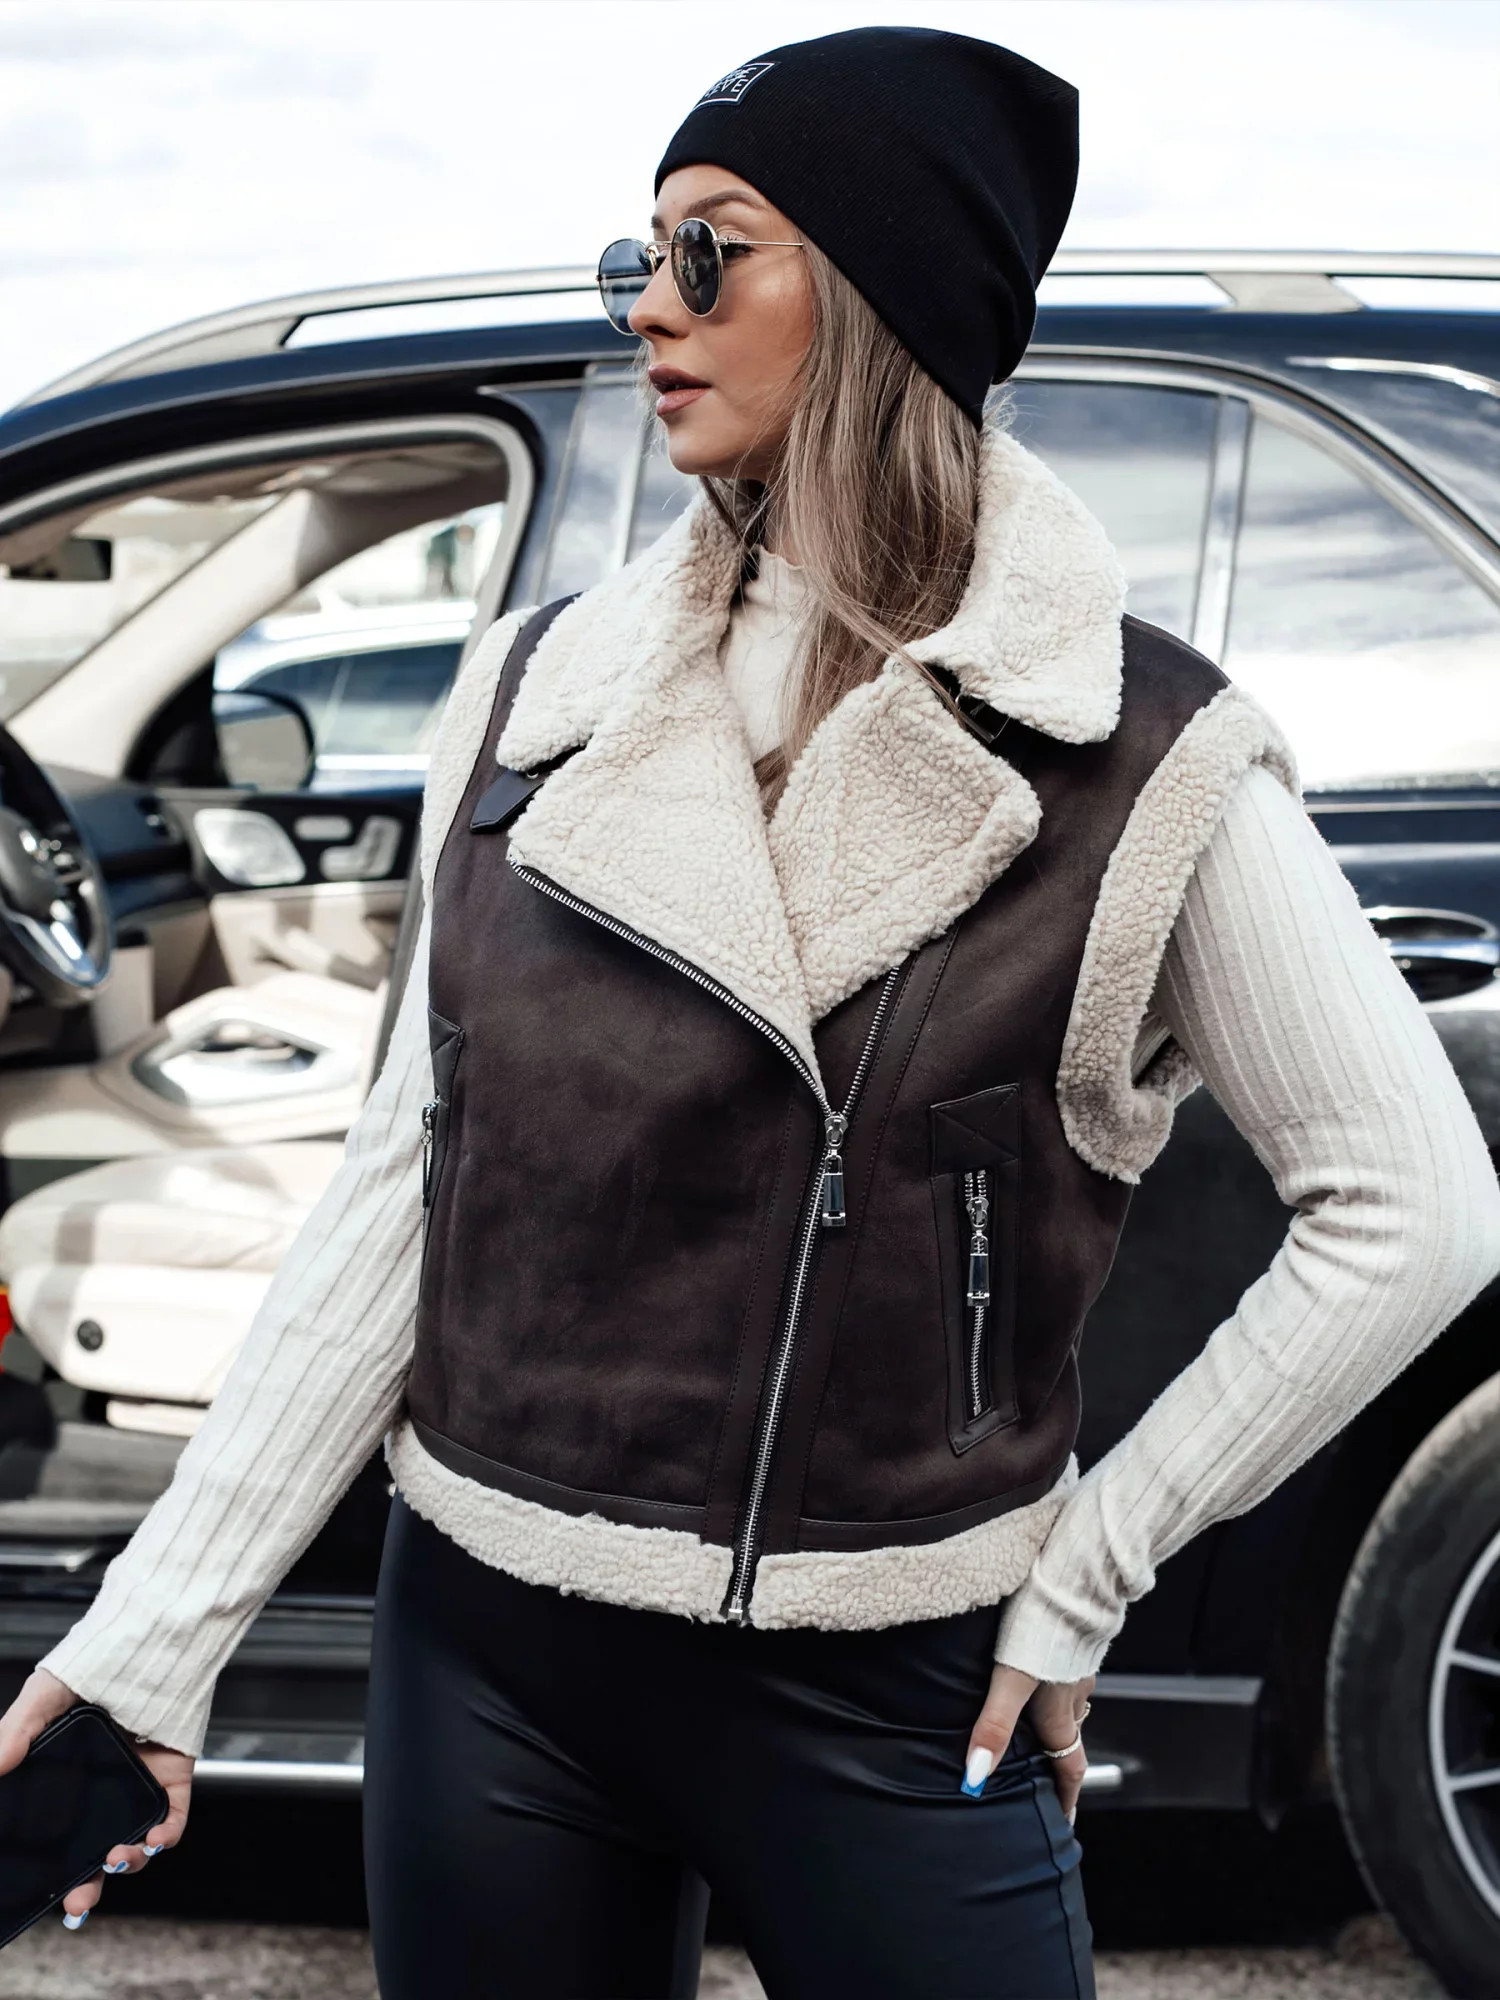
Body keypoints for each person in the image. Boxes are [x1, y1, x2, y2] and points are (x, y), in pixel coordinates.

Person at [3, 26, 1499, 2000]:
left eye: (709, 251)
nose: (649, 304)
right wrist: (163, 1622)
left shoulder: (1143, 758)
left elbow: (1414, 1208)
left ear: (883, 297)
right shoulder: (528, 694)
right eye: (637, 255)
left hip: (889, 1693)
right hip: (486, 1654)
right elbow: (405, 1183)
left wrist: (1084, 1576)